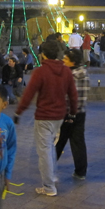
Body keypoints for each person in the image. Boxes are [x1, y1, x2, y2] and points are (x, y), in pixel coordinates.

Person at [14, 40, 77, 197]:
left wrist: (19, 112)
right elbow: (73, 95)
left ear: (43, 54)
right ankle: (52, 176)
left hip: (44, 116)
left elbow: (28, 94)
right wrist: (73, 113)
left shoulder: (41, 72)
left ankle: (48, 186)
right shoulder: (66, 71)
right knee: (50, 147)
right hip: (59, 116)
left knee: (44, 151)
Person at [55, 49, 89, 180]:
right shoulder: (84, 73)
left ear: (73, 61)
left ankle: (49, 167)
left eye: (66, 59)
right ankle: (81, 171)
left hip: (67, 113)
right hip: (80, 113)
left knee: (59, 141)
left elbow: (65, 96)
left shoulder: (69, 76)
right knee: (78, 142)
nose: (63, 61)